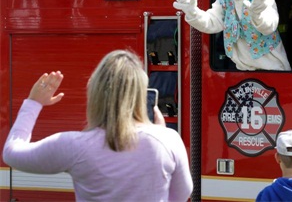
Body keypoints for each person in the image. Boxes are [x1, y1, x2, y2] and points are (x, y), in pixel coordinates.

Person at [2, 50, 193, 202]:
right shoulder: (168, 140)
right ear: (141, 94)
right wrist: (159, 133)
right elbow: (181, 194)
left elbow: (12, 153)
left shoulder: (73, 145)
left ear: (94, 90)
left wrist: (33, 103)